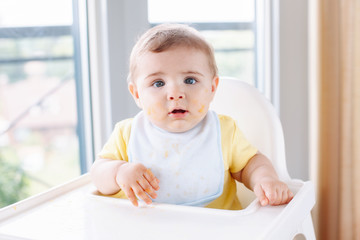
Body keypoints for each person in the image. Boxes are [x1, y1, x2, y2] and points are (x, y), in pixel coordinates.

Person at [90, 23, 293, 210]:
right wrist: (118, 172)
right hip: (145, 231)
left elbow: (251, 163)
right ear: (137, 94)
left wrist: (265, 179)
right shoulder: (127, 134)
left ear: (212, 88)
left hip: (217, 231)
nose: (175, 93)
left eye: (190, 80)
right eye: (158, 83)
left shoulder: (224, 131)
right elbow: (98, 174)